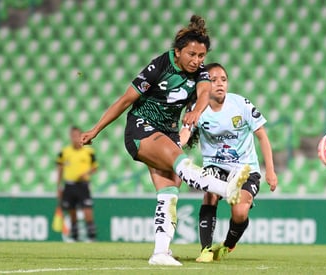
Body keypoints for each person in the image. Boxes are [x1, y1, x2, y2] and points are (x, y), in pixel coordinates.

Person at [79, 15, 250, 266]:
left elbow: (204, 94)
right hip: (141, 128)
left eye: (201, 56)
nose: (197, 61)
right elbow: (125, 100)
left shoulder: (201, 73)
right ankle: (227, 190)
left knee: (169, 190)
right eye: (191, 54)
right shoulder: (159, 65)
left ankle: (160, 253)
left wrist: (196, 111)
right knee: (179, 161)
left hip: (167, 132)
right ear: (177, 51)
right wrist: (95, 130)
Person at [180, 63, 278, 262]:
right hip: (215, 166)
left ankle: (228, 245)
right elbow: (184, 134)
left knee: (240, 212)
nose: (219, 84)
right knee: (210, 194)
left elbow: (262, 137)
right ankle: (205, 250)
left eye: (223, 80)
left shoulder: (241, 104)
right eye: (214, 80)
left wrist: (271, 171)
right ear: (205, 84)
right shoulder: (198, 109)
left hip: (245, 167)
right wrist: (172, 153)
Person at [56, 126, 98, 242]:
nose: (75, 138)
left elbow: (95, 168)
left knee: (87, 211)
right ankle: (75, 238)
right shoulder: (64, 152)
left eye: (77, 135)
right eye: (73, 135)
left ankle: (92, 238)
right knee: (72, 212)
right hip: (69, 185)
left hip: (83, 185)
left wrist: (86, 173)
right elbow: (59, 169)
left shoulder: (89, 152)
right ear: (70, 137)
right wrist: (59, 186)